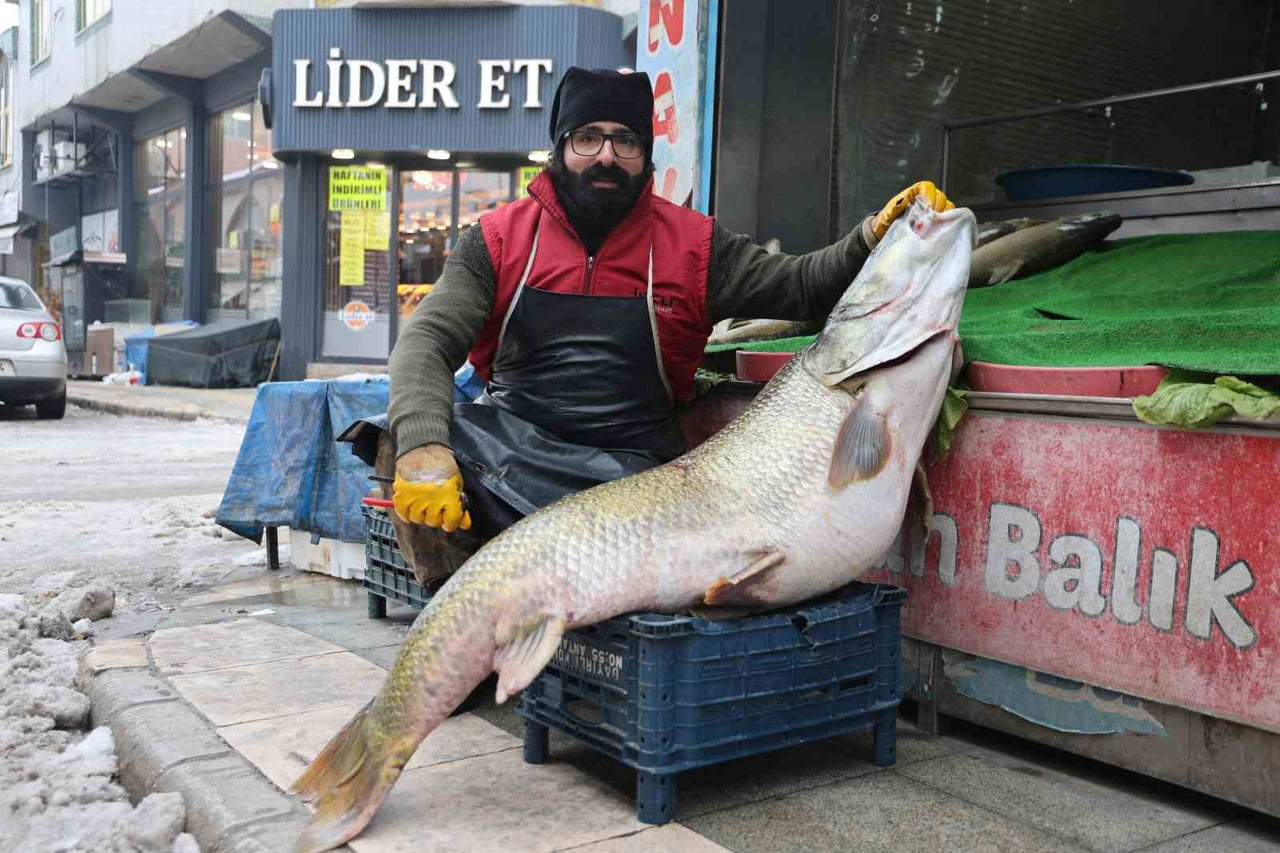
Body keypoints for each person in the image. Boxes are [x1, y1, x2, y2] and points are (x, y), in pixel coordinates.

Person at [378, 66, 953, 576]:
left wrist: (871, 235)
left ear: (646, 155)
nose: (606, 155)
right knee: (397, 434)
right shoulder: (498, 239)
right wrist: (424, 447)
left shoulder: (695, 247)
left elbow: (802, 287)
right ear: (559, 148)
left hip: (635, 478)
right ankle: (459, 609)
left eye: (625, 140)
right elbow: (427, 341)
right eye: (588, 138)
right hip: (511, 453)